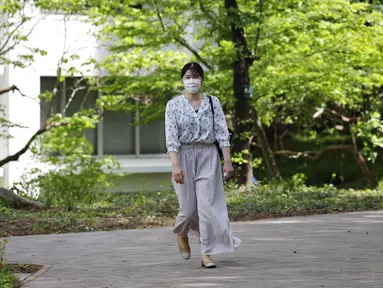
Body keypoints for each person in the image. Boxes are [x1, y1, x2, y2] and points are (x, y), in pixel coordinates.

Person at [165, 62, 241, 269]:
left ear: (202, 79)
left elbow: (222, 133)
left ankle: (206, 254)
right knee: (188, 210)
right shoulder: (173, 105)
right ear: (182, 79)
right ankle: (181, 233)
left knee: (207, 207)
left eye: (195, 76)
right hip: (184, 156)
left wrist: (227, 162)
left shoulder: (212, 102)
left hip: (208, 155)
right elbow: (171, 138)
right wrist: (175, 165)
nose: (192, 80)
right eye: (188, 77)